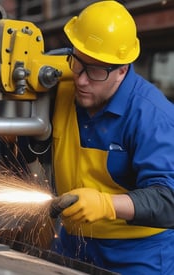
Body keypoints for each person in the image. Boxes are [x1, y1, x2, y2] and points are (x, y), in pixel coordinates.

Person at [48, 1, 174, 274]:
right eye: (78, 62)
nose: (81, 80)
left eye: (96, 71)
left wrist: (107, 205)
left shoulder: (152, 115)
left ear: (122, 69)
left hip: (138, 255)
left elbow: (169, 200)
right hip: (73, 243)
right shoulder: (63, 87)